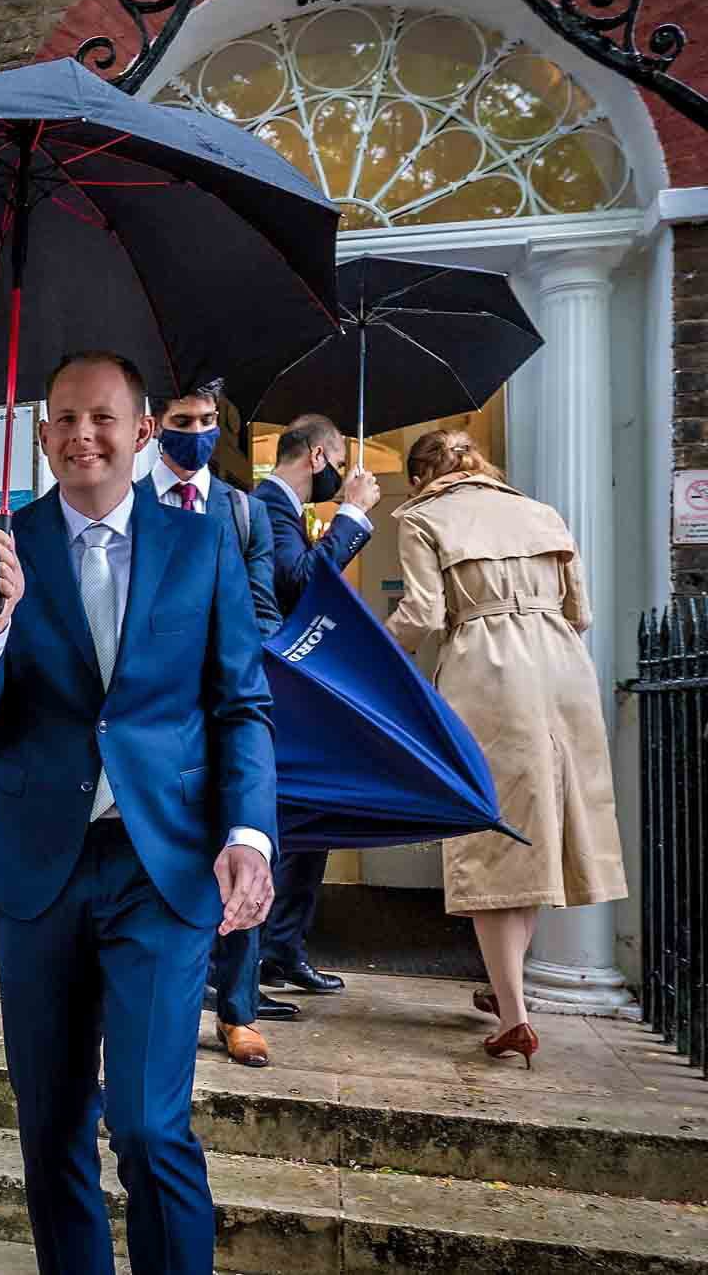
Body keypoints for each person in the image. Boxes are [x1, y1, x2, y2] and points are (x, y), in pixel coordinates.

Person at [0, 351, 276, 1274]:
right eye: (62, 419)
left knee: (146, 1123)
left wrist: (249, 832)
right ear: (43, 436)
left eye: (102, 418)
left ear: (141, 431)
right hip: (36, 868)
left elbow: (239, 701)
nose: (81, 434)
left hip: (159, 866)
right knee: (49, 1126)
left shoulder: (203, 542)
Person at [384, 430, 628, 1069]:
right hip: (562, 668)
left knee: (492, 840)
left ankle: (515, 1016)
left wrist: (375, 653)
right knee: (540, 830)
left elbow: (424, 616)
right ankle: (504, 992)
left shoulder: (421, 517)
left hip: (487, 670)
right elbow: (582, 613)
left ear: (418, 478)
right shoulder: (542, 513)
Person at [137, 377, 296, 1071]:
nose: (196, 431)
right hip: (160, 707)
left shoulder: (242, 510)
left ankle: (238, 1010)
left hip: (223, 700)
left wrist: (236, 659)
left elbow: (262, 607)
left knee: (243, 842)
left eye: (206, 419)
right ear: (155, 424)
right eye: (183, 418)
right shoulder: (133, 501)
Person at [253, 413, 380, 996]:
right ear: (320, 458)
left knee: (312, 814)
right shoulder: (265, 505)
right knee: (280, 818)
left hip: (298, 688)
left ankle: (283, 947)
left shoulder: (288, 512)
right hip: (270, 687)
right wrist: (351, 513)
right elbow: (298, 582)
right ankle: (252, 955)